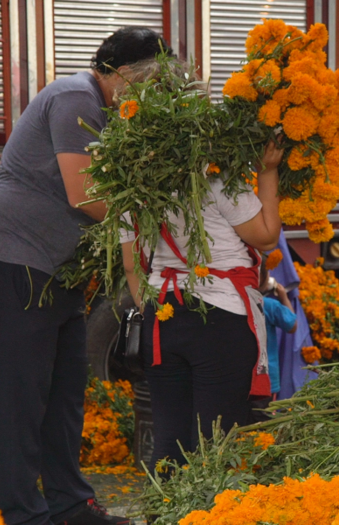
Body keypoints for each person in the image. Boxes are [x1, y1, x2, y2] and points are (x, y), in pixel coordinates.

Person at [0, 27, 171, 525]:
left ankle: (70, 504)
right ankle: (23, 511)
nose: (153, 91)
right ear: (125, 73)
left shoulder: (107, 108)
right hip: (23, 259)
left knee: (66, 390)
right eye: (150, 80)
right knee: (23, 393)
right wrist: (146, 228)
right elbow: (83, 195)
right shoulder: (75, 98)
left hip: (61, 269)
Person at [120, 141, 284, 473]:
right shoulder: (216, 180)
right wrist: (267, 170)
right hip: (221, 319)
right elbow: (266, 237)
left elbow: (130, 267)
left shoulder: (131, 189)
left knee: (169, 440)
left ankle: (161, 516)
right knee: (215, 442)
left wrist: (155, 311)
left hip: (161, 317)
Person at [259, 262, 297, 399]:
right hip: (266, 377)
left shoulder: (234, 303)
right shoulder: (269, 305)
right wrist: (284, 298)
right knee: (265, 416)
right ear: (262, 279)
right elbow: (292, 325)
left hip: (240, 376)